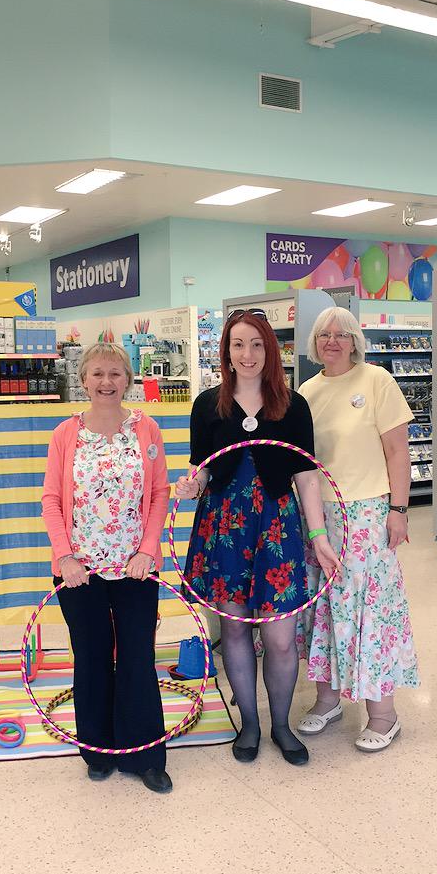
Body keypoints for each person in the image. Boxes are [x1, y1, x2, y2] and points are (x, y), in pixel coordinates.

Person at [176, 308, 340, 766]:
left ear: (270, 350)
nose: (247, 354)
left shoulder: (293, 406)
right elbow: (203, 469)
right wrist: (192, 485)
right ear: (226, 351)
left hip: (276, 527)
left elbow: (307, 477)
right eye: (238, 344)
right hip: (225, 527)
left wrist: (319, 536)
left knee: (281, 637)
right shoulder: (207, 405)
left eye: (256, 344)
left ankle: (280, 724)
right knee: (234, 629)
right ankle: (249, 723)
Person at [42, 342, 173, 793]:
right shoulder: (65, 434)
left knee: (138, 657)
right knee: (92, 658)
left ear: (128, 379)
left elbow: (159, 494)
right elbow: (52, 500)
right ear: (83, 380)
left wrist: (148, 550)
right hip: (79, 571)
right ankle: (97, 751)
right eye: (97, 373)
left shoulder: (146, 428)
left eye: (115, 373)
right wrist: (65, 557)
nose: (106, 382)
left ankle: (146, 756)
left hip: (136, 567)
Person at [295, 306, 420, 753]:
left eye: (342, 334)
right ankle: (327, 700)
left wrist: (399, 509)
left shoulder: (376, 381)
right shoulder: (306, 392)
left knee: (370, 609)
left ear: (355, 341)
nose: (332, 341)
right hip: (318, 516)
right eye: (324, 334)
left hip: (368, 513)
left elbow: (398, 452)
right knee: (325, 607)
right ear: (314, 342)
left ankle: (384, 715)